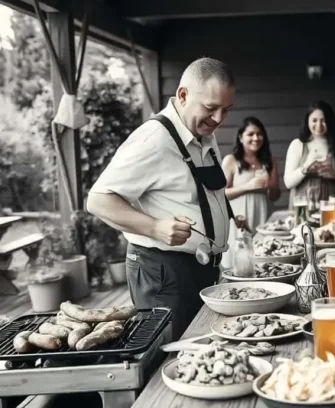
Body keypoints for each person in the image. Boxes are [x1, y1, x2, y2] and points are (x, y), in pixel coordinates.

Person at [86, 58, 248, 340]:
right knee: (168, 362)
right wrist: (155, 227)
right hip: (163, 273)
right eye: (210, 108)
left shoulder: (203, 132)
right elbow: (98, 200)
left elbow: (199, 191)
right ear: (183, 95)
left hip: (202, 270)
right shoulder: (153, 139)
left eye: (226, 109)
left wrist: (228, 217)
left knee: (200, 355)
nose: (220, 119)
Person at [220, 116, 280, 270]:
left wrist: (269, 186)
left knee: (264, 262)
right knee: (238, 264)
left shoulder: (270, 162)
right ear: (241, 137)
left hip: (263, 216)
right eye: (250, 134)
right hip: (239, 219)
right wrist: (247, 186)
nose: (256, 138)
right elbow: (221, 194)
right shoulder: (231, 160)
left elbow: (275, 196)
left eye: (259, 134)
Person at [284, 101, 335, 209]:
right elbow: (288, 183)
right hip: (303, 210)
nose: (319, 125)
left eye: (323, 121)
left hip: (334, 209)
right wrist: (306, 166)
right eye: (314, 120)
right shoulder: (298, 145)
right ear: (307, 121)